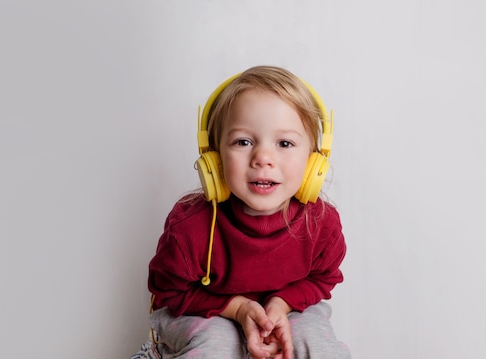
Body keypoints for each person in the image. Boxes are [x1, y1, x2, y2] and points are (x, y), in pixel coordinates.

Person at [146, 65, 350, 359]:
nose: (263, 158)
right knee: (217, 345)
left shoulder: (321, 224)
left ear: (313, 162)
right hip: (208, 311)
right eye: (243, 142)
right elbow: (168, 291)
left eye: (284, 143)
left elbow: (322, 278)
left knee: (313, 341)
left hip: (284, 308)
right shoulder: (190, 228)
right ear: (214, 159)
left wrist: (281, 305)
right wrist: (238, 309)